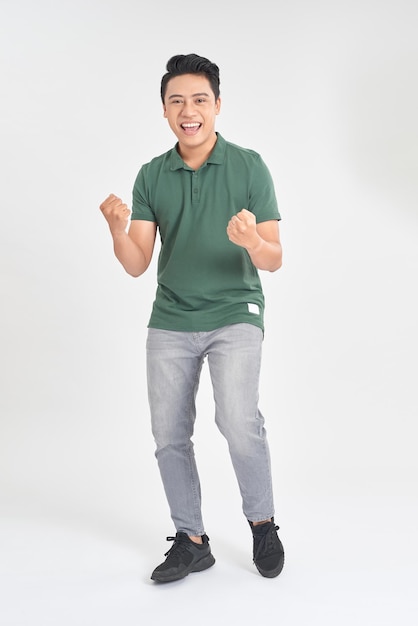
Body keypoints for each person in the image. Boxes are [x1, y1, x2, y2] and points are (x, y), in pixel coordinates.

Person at [99, 53, 284, 583]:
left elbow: (274, 257)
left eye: (199, 99)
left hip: (235, 312)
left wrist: (251, 241)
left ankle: (263, 522)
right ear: (164, 111)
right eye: (177, 100)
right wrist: (117, 228)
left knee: (238, 420)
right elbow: (137, 264)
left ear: (217, 106)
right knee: (168, 433)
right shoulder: (151, 175)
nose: (189, 110)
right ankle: (192, 539)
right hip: (171, 317)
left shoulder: (250, 166)